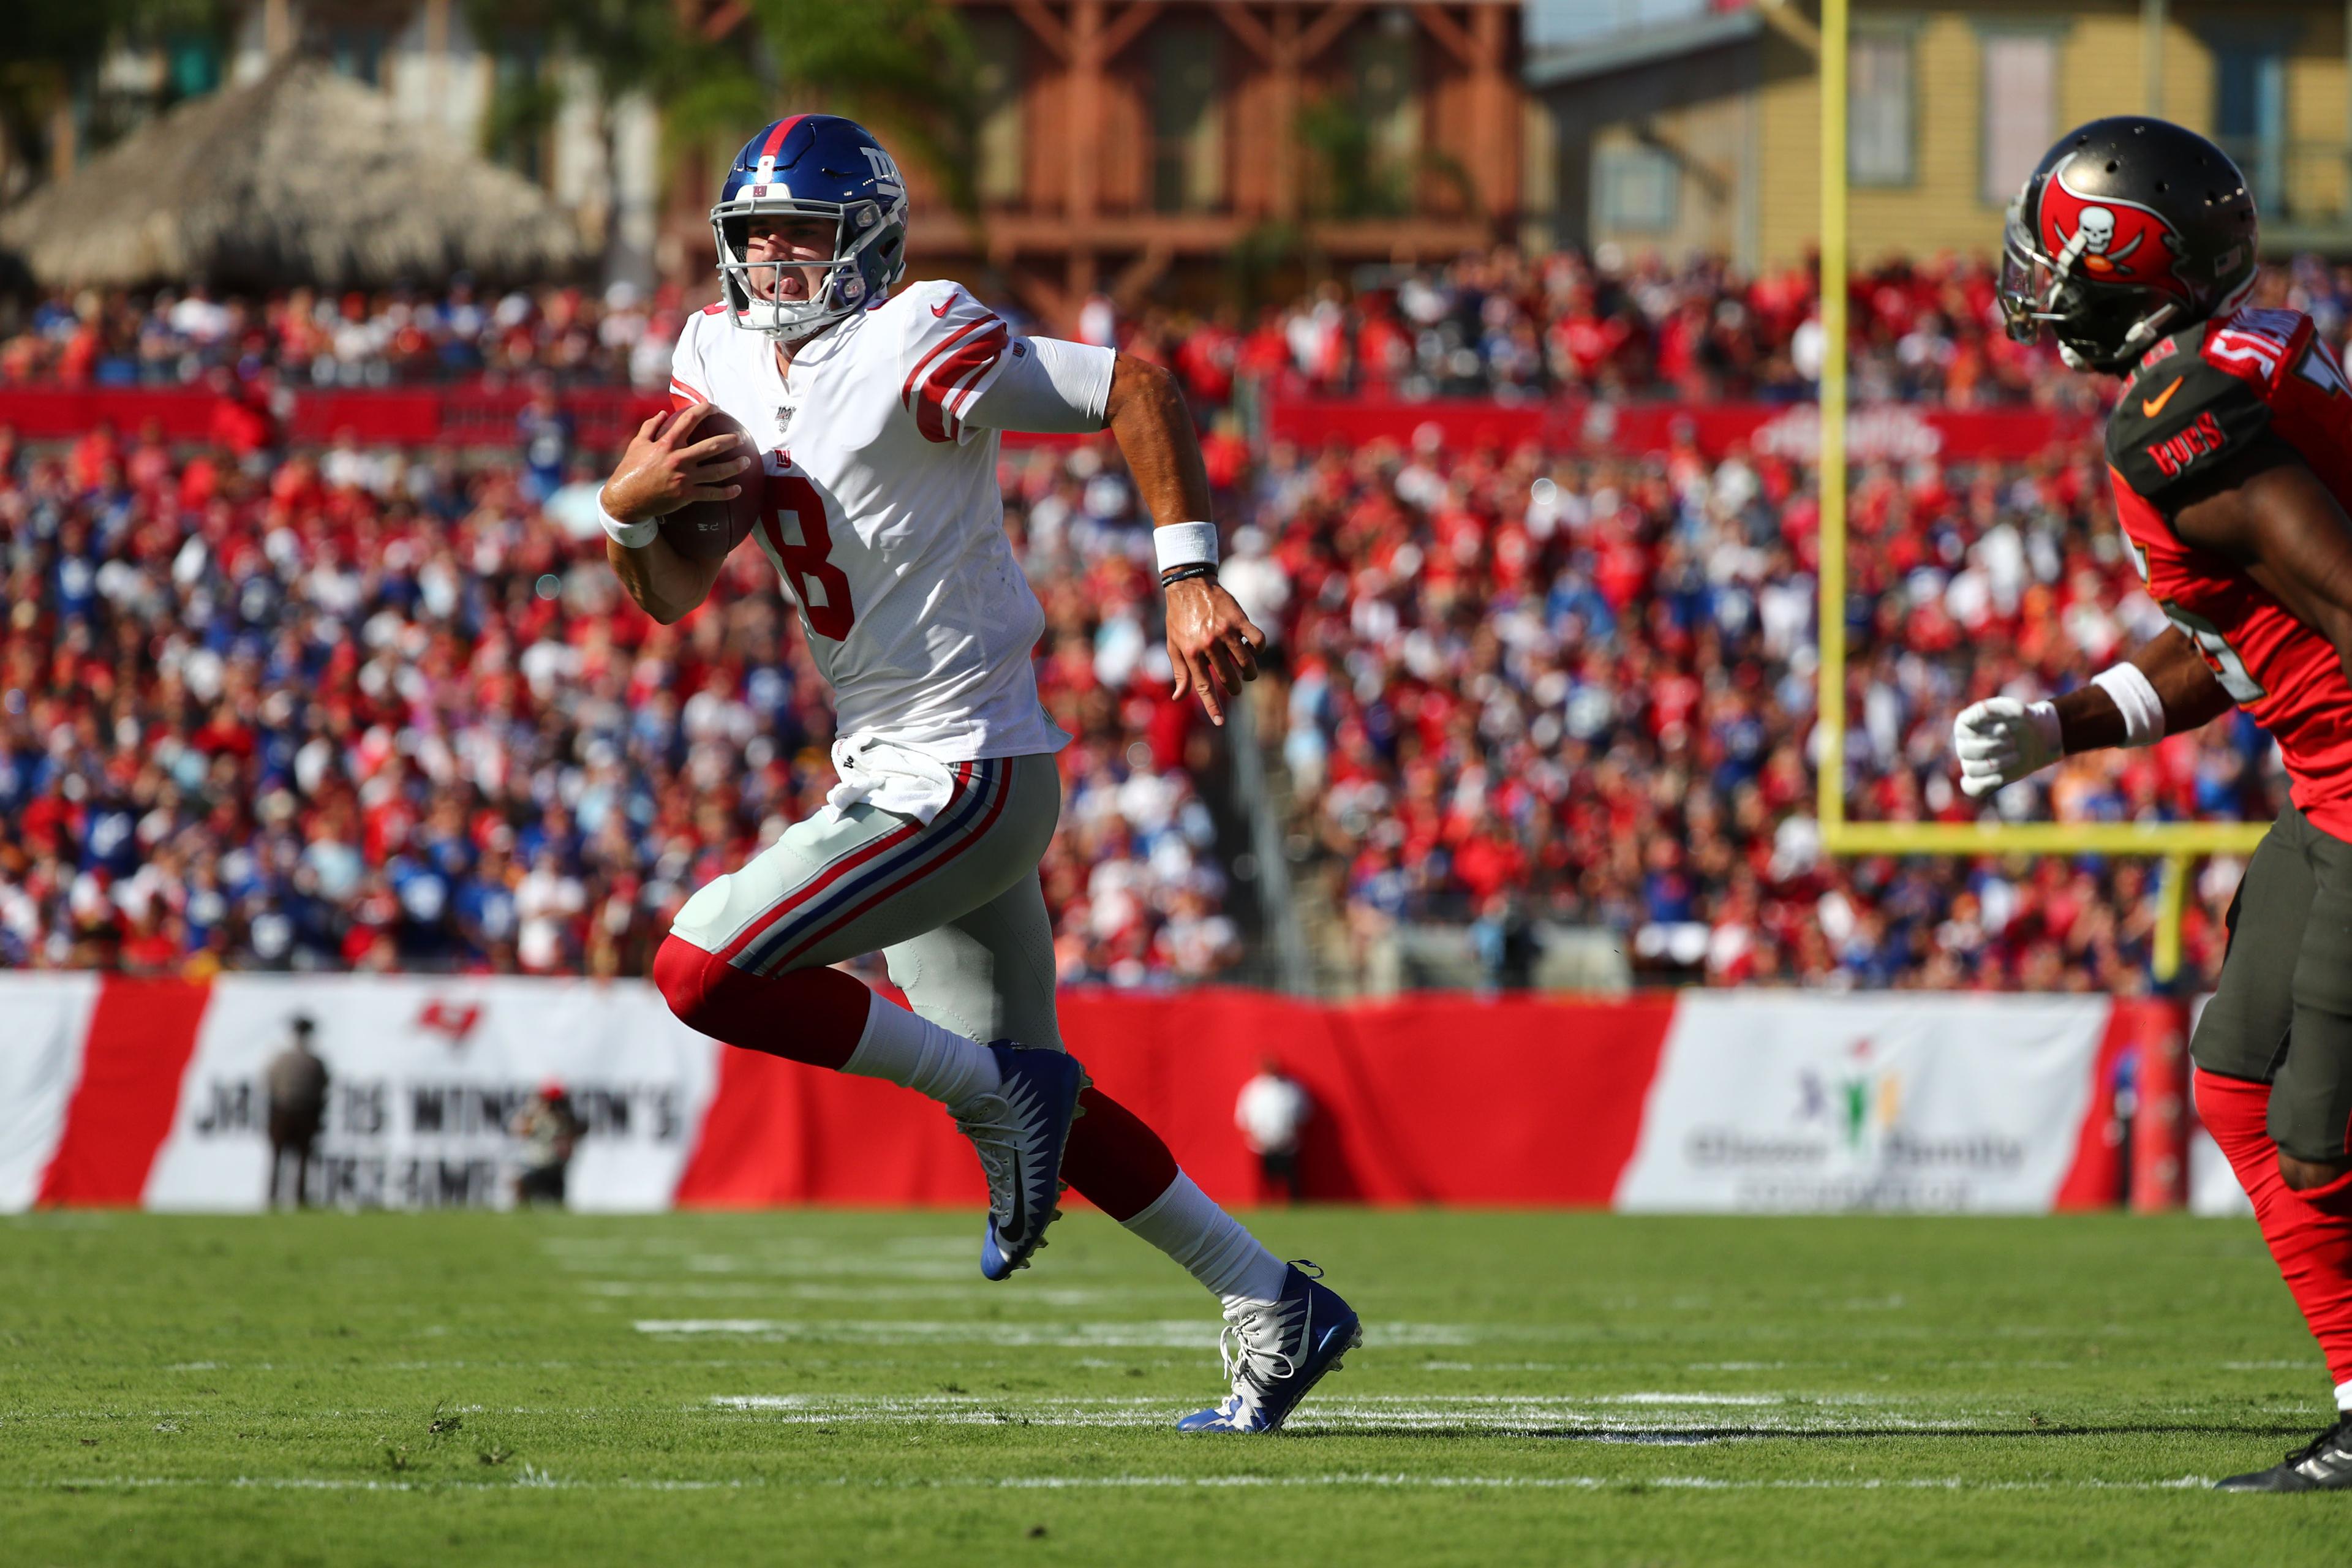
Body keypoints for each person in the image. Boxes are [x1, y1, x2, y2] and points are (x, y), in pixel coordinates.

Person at [597, 115, 1359, 1433]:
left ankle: (993, 1094)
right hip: (901, 763)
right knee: (1038, 1098)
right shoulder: (714, 353)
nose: (776, 257)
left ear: (866, 241)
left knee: (701, 970)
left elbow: (1136, 386)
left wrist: (1187, 576)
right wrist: (622, 517)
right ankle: (1270, 1296)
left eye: (805, 232)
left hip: (962, 770)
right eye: (756, 233)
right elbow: (670, 592)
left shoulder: (917, 335)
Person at [1967, 115, 2352, 1491]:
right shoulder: (2216, 375)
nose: (2032, 272)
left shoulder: (2175, 417)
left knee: (2325, 1127)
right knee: (2240, 1080)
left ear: (2120, 263)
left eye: (2054, 247)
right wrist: (2070, 720)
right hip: (2327, 784)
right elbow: (2249, 628)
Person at [263, 1015, 328, 1208]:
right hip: (305, 1114)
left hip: (282, 1113)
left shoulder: (281, 1059)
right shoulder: (314, 1061)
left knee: (277, 1160)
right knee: (302, 1161)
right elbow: (322, 1089)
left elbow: (270, 1085)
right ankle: (298, 1199)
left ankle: (272, 1198)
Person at [1235, 1060, 1311, 1204]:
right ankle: (1268, 1205)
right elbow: (1243, 1116)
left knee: (1290, 1180)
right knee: (1267, 1181)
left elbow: (1304, 1113)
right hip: (1262, 1146)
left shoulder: (1291, 1089)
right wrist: (1255, 1136)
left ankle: (1294, 1206)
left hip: (1288, 1145)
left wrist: (1293, 1134)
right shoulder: (1253, 1089)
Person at [511, 1082, 584, 1208]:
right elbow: (519, 1129)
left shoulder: (562, 1119)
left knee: (554, 1201)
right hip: (538, 1163)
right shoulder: (538, 1116)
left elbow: (575, 1134)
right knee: (522, 1187)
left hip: (552, 1166)